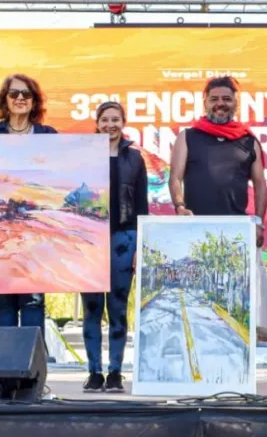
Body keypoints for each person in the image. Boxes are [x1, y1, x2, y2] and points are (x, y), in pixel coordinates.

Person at [168, 76, 267, 353]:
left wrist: (259, 222)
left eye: (226, 98)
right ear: (205, 102)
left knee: (234, 305)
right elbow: (175, 177)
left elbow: (261, 185)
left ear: (235, 102)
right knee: (198, 303)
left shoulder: (249, 142)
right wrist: (179, 206)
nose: (220, 104)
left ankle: (233, 363)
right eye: (214, 99)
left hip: (237, 234)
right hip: (195, 233)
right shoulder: (188, 137)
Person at [0, 73, 56, 330]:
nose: (20, 98)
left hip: (36, 230)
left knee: (33, 299)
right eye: (14, 94)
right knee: (3, 300)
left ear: (35, 101)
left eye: (26, 94)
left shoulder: (48, 136)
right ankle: (5, 367)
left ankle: (33, 369)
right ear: (5, 100)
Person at [81, 101, 148, 393]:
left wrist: (139, 246)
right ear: (97, 123)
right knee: (91, 309)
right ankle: (94, 372)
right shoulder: (82, 156)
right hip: (89, 239)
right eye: (105, 119)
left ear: (123, 122)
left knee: (118, 310)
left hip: (124, 238)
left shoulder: (135, 158)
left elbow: (142, 205)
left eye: (115, 119)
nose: (110, 124)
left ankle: (116, 373)